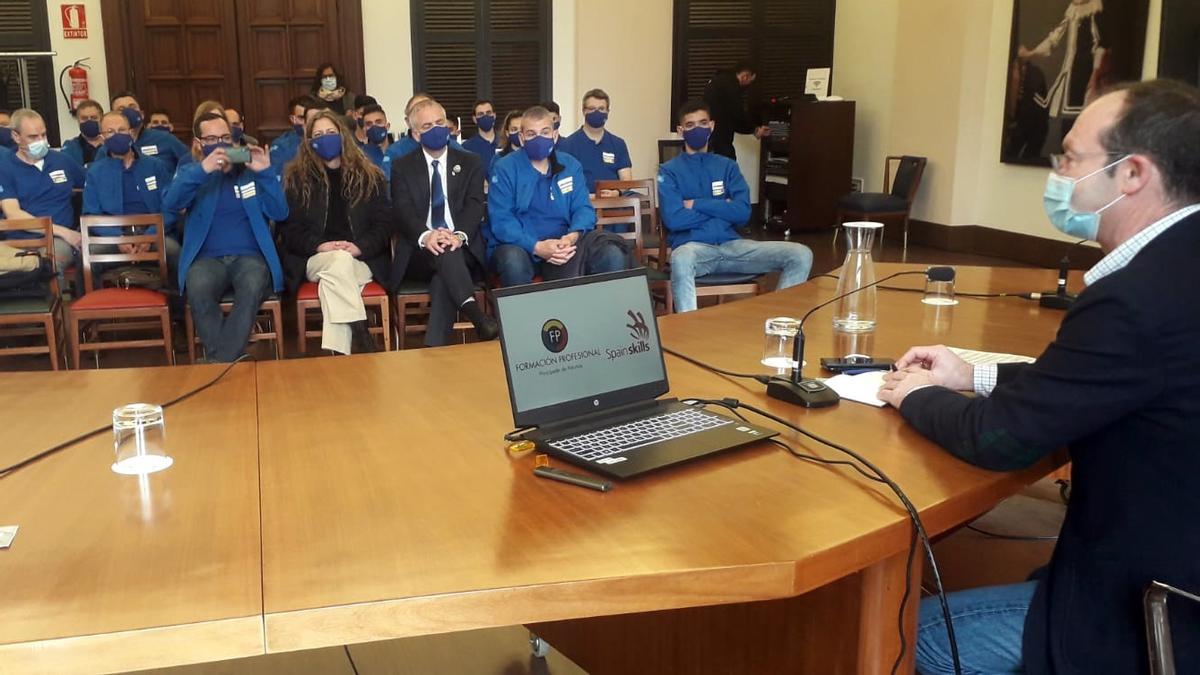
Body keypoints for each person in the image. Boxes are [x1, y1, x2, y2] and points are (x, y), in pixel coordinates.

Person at [877, 79, 1200, 675]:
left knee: (900, 637)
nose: (1058, 171)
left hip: (1158, 613)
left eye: (1072, 157)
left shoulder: (1137, 299)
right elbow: (1094, 384)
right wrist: (973, 375)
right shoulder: (1180, 262)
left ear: (1131, 174)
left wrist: (916, 394)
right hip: (1175, 555)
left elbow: (1000, 439)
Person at [658, 100, 812, 313]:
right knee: (680, 258)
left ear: (712, 126)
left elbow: (742, 212)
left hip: (733, 247)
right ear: (680, 130)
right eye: (691, 125)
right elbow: (674, 219)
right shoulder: (668, 171)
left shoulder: (727, 166)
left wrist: (696, 204)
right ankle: (689, 330)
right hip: (693, 249)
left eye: (703, 123)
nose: (698, 129)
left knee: (801, 254)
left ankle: (778, 324)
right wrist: (723, 208)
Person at [164, 112, 285, 363]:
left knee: (252, 286)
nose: (220, 143)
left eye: (225, 137)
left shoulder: (250, 172)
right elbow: (171, 203)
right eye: (211, 138)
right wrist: (203, 170)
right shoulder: (191, 172)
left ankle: (220, 361)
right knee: (196, 287)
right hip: (207, 259)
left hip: (250, 257)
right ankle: (231, 358)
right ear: (199, 143)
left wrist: (265, 173)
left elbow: (280, 212)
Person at [280, 110, 392, 355]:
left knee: (335, 277)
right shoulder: (297, 180)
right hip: (315, 258)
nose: (326, 138)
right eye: (318, 134)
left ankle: (340, 355)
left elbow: (384, 225)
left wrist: (359, 247)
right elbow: (290, 230)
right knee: (337, 263)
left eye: (331, 132)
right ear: (309, 142)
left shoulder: (370, 177)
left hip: (360, 258)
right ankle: (361, 335)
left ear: (343, 136)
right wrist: (319, 246)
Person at [390, 98, 497, 346]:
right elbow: (402, 211)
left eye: (440, 122)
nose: (437, 129)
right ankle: (477, 316)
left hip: (462, 247)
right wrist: (427, 236)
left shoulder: (470, 162)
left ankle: (433, 349)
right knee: (444, 256)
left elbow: (474, 205)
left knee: (445, 269)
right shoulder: (402, 166)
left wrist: (457, 236)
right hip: (419, 252)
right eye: (427, 126)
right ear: (416, 134)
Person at [488, 106, 628, 287]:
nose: (539, 138)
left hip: (565, 244)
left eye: (545, 132)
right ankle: (528, 316)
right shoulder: (505, 168)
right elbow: (502, 221)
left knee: (612, 254)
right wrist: (537, 246)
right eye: (531, 134)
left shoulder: (570, 165)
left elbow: (583, 208)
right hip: (522, 246)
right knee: (512, 261)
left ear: (554, 135)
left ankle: (601, 313)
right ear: (522, 139)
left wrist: (571, 237)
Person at [82, 110, 181, 279]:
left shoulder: (155, 166)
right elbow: (91, 215)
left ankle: (175, 305)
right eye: (110, 132)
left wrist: (150, 235)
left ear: (131, 133)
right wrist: (118, 238)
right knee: (87, 260)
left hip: (153, 233)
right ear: (102, 137)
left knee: (174, 252)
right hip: (114, 236)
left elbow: (170, 207)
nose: (117, 135)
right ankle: (97, 304)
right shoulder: (95, 172)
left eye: (121, 130)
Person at [0, 109, 87, 285]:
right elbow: (13, 214)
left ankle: (57, 312)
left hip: (58, 242)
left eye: (43, 135)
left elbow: (91, 186)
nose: (41, 141)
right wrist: (63, 231)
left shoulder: (62, 161)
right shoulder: (5, 166)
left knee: (51, 265)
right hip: (19, 240)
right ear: (16, 137)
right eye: (33, 137)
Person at [557, 89, 633, 196]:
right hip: (581, 205)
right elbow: (563, 183)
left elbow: (626, 180)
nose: (597, 112)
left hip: (614, 203)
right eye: (592, 109)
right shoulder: (567, 145)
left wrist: (616, 193)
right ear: (584, 111)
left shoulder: (618, 144)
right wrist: (586, 197)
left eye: (601, 109)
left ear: (608, 112)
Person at [702, 61, 770, 160]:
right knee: (729, 167)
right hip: (719, 136)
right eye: (750, 82)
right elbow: (737, 113)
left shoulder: (718, 81)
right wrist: (754, 129)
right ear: (745, 76)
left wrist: (753, 129)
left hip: (710, 135)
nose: (748, 86)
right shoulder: (730, 86)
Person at [111, 91, 191, 170]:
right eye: (121, 109)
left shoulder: (165, 139)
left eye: (132, 107)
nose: (128, 112)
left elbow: (191, 163)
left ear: (142, 114)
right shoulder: (108, 146)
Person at [386, 93, 464, 163]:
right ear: (408, 121)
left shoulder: (456, 148)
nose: (425, 113)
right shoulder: (395, 151)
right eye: (417, 110)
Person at [269, 95, 311, 168]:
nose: (307, 122)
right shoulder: (281, 146)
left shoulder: (326, 139)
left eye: (312, 117)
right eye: (302, 118)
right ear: (292, 119)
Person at [61, 99, 105, 168]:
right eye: (84, 118)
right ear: (78, 121)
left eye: (94, 118)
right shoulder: (70, 147)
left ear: (102, 119)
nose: (89, 121)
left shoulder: (110, 144)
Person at [462, 99, 501, 177]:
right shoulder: (466, 148)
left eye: (488, 113)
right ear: (474, 119)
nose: (485, 116)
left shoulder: (506, 142)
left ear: (494, 115)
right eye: (480, 114)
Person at [357, 104, 393, 179]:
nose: (374, 126)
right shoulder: (360, 156)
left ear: (387, 126)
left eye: (378, 122)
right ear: (364, 130)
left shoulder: (400, 151)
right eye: (369, 124)